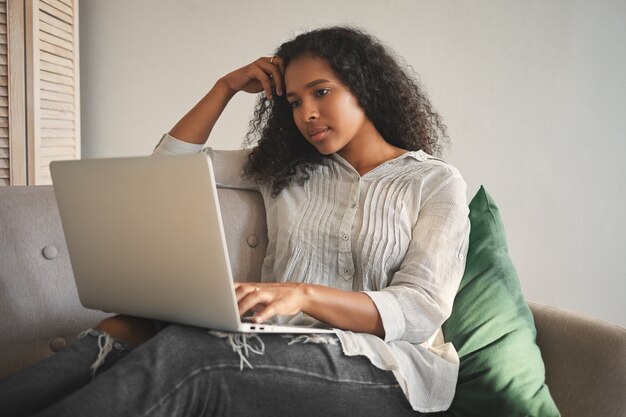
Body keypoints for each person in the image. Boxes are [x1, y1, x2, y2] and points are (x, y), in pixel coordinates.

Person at [0, 26, 470, 416]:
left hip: (389, 372)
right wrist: (224, 88)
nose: (306, 113)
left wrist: (301, 293)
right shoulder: (285, 169)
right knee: (125, 329)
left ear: (365, 88)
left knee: (194, 354)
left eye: (321, 92)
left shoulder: (435, 183)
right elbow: (165, 168)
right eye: (292, 101)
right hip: (278, 343)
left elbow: (420, 308)